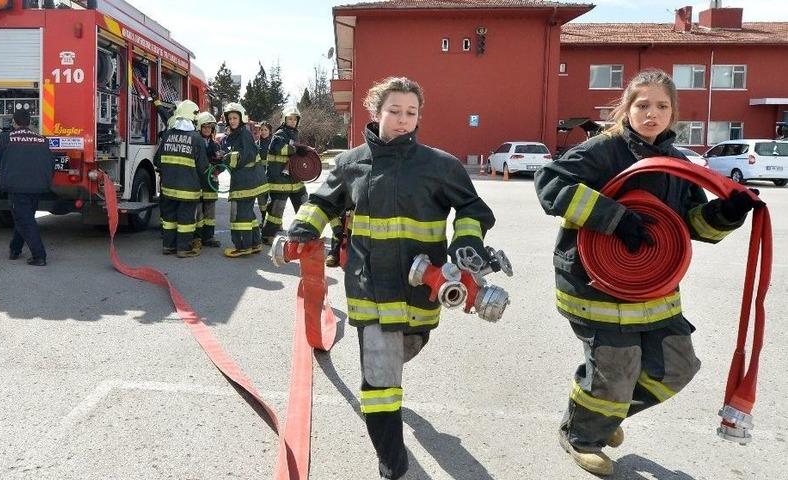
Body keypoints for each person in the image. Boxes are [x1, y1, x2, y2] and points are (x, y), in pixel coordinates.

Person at [533, 69, 762, 476]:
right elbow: (549, 183)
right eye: (642, 105)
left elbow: (692, 225)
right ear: (627, 108)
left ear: (673, 114)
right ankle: (580, 435)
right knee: (616, 367)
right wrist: (613, 218)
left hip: (653, 288)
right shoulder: (602, 151)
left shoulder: (677, 163)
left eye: (661, 106)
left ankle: (605, 415)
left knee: (677, 367)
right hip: (593, 284)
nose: (651, 113)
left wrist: (725, 214)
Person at [287, 77, 495, 480]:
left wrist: (468, 239)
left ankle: (389, 383)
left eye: (411, 113)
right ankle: (391, 455)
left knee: (407, 347)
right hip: (368, 285)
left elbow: (473, 208)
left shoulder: (440, 165)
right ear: (376, 112)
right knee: (380, 375)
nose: (402, 120)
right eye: (394, 111)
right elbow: (322, 202)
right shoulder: (350, 164)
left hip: (421, 287)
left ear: (419, 117)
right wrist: (303, 228)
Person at [0, 108, 55, 266]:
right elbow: (51, 162)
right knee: (24, 217)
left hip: (17, 187)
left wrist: (6, 172)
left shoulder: (6, 138)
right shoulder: (42, 139)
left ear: (13, 122)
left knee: (24, 220)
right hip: (38, 186)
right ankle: (15, 249)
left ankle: (39, 256)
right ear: (30, 122)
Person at [153, 100, 209, 258]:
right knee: (186, 220)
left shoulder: (168, 134)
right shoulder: (196, 138)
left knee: (169, 218)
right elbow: (203, 167)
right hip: (188, 190)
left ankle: (168, 246)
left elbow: (157, 160)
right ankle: (183, 248)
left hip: (168, 188)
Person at [221, 102, 265, 257]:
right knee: (248, 213)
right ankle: (255, 243)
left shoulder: (243, 134)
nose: (232, 120)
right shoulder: (237, 134)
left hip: (246, 181)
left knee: (241, 215)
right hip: (248, 180)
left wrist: (229, 158)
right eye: (230, 118)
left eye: (234, 117)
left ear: (241, 118)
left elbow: (247, 156)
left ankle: (243, 246)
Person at [261, 105, 307, 245]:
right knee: (276, 210)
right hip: (280, 180)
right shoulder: (280, 133)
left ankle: (305, 233)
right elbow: (276, 148)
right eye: (290, 119)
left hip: (295, 180)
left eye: (295, 119)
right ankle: (267, 235)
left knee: (304, 206)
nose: (292, 121)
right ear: (284, 119)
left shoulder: (295, 134)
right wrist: (296, 149)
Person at [195, 111, 222, 248]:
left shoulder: (216, 145)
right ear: (199, 127)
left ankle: (208, 237)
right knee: (198, 212)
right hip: (198, 182)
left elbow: (222, 164)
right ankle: (197, 237)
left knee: (210, 212)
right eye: (204, 127)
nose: (207, 130)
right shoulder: (195, 142)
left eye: (209, 127)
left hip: (211, 183)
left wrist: (218, 168)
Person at [256, 120, 274, 223]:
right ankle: (263, 220)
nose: (263, 132)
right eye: (261, 130)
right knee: (261, 200)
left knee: (273, 201)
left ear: (270, 131)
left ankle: (276, 223)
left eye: (265, 130)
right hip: (260, 176)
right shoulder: (256, 144)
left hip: (272, 175)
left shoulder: (274, 143)